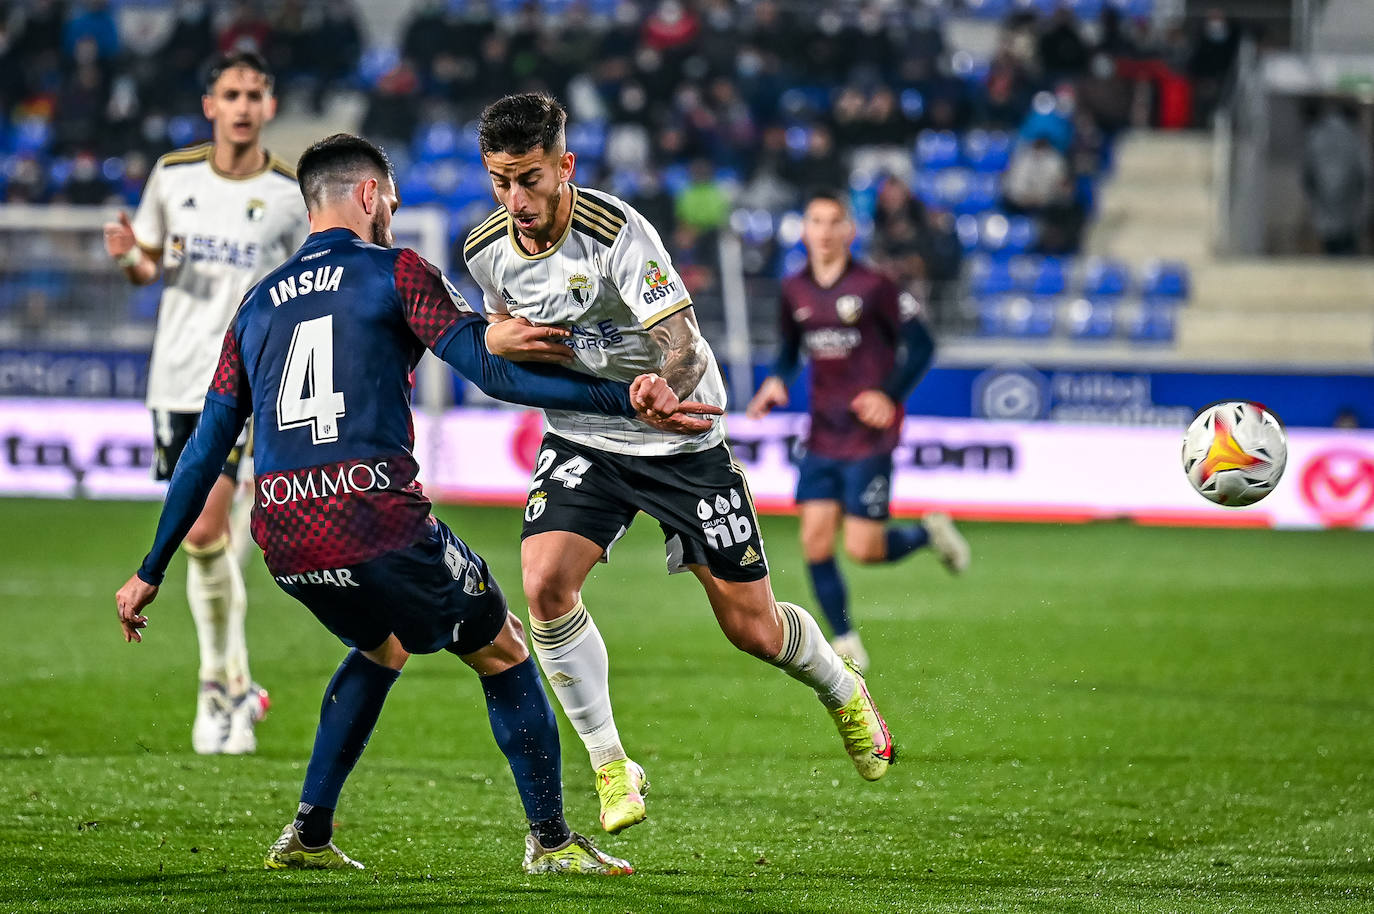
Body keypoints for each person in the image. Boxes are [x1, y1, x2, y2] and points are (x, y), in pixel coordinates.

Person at [114, 133, 719, 874]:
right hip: (373, 517)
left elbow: (206, 448)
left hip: (283, 532)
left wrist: (151, 567)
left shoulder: (256, 303)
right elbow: (493, 375)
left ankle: (308, 832)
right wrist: (617, 395)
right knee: (504, 652)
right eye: (392, 201)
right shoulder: (397, 271)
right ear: (369, 196)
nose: (394, 214)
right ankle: (553, 843)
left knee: (379, 645)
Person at [464, 93, 897, 838]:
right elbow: (507, 328)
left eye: (530, 179)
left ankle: (842, 688)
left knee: (754, 632)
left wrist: (662, 380)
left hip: (680, 437)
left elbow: (685, 339)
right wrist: (496, 335)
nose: (516, 199)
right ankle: (610, 765)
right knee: (543, 584)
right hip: (587, 435)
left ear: (564, 167)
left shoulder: (617, 230)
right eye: (500, 180)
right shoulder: (484, 249)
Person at [102, 50, 308, 755]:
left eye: (255, 92)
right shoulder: (174, 175)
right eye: (232, 93)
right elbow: (147, 270)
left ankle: (217, 692)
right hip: (176, 379)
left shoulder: (289, 195)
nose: (244, 104)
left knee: (200, 530)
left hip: (244, 383)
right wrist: (131, 255)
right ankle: (237, 685)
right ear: (211, 104)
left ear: (270, 107)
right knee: (212, 545)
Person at [746, 191, 970, 672]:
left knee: (864, 549)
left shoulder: (877, 286)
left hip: (869, 437)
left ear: (850, 231)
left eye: (834, 222)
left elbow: (924, 345)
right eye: (815, 221)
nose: (824, 231)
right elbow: (790, 350)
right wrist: (776, 382)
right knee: (815, 544)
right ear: (804, 231)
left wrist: (888, 394)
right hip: (822, 433)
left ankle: (928, 535)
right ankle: (846, 641)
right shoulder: (794, 290)